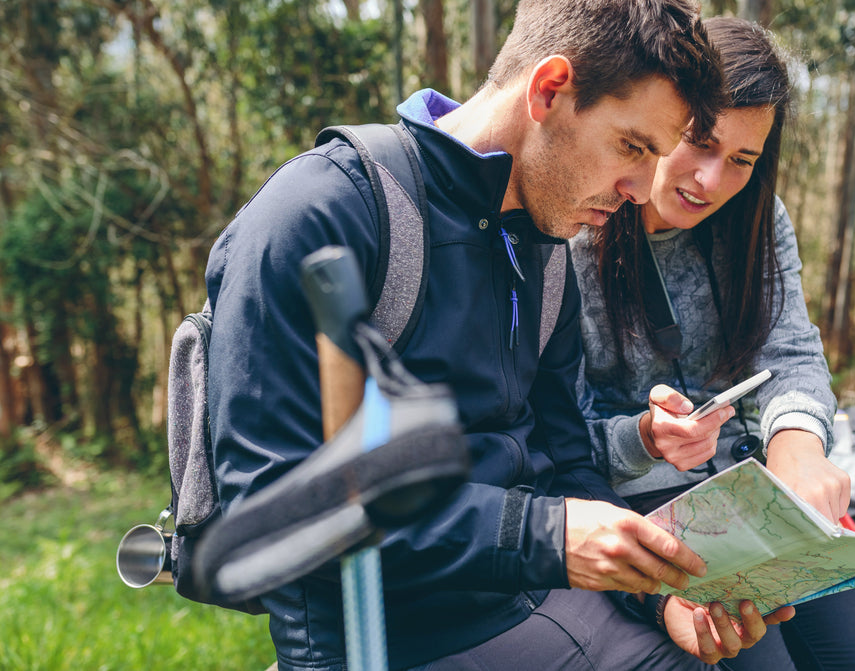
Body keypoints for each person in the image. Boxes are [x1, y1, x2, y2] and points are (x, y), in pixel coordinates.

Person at [204, 2, 795, 670]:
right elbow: (265, 514)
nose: (638, 190)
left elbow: (570, 465)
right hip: (384, 642)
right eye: (632, 147)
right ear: (549, 90)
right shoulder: (322, 211)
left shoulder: (544, 256)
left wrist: (659, 595)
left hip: (548, 610)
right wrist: (542, 535)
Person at [571, 16, 855, 671]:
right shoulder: (574, 232)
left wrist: (797, 447)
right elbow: (554, 435)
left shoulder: (755, 222)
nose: (709, 180)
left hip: (754, 497)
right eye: (699, 142)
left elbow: (789, 353)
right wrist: (642, 438)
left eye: (741, 160)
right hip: (640, 509)